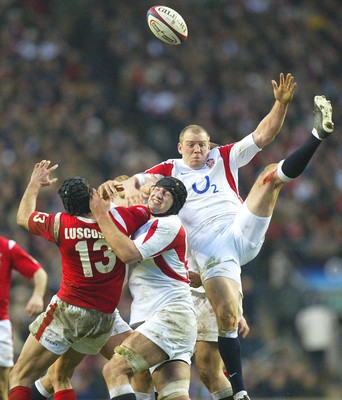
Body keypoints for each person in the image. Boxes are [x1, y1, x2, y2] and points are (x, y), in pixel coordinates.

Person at [99, 72, 335, 400]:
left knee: (269, 176)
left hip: (240, 231)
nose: (197, 149)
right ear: (179, 147)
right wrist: (113, 186)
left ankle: (316, 135)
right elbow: (134, 185)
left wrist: (280, 105)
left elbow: (263, 135)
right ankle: (233, 390)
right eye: (191, 145)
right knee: (208, 365)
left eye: (202, 144)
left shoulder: (222, 157)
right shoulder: (167, 171)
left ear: (208, 144)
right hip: (211, 253)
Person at [9, 160, 150, 400]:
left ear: (67, 207)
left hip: (69, 311)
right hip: (104, 317)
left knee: (19, 376)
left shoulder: (61, 223)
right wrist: (132, 193)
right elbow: (150, 209)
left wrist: (34, 184)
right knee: (60, 375)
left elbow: (23, 217)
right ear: (90, 197)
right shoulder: (124, 219)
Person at [90, 176, 197, 400]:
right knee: (170, 393)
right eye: (157, 190)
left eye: (166, 194)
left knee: (115, 370)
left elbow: (128, 254)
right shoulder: (146, 223)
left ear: (174, 204)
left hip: (169, 317)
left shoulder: (168, 224)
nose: (159, 194)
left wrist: (100, 213)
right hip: (168, 321)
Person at [0, 236, 47, 400]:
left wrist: (37, 295)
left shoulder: (6, 247)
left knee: (2, 384)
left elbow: (39, 272)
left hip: (1, 324)